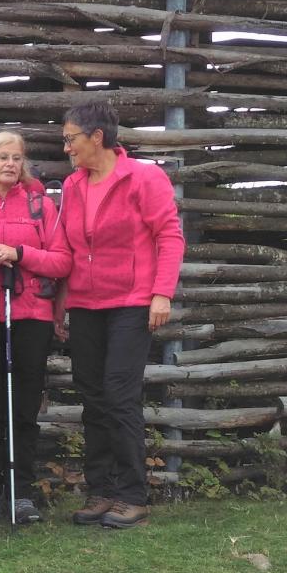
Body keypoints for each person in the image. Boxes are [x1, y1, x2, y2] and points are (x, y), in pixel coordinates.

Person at [54, 101, 184, 529]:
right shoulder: (73, 186)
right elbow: (69, 251)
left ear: (97, 137)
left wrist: (161, 294)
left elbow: (169, 235)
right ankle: (102, 490)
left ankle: (133, 495)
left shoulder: (144, 177)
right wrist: (61, 305)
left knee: (119, 394)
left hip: (131, 303)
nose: (66, 146)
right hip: (86, 306)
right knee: (91, 395)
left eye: (71, 137)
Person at [0, 131, 70, 525]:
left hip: (31, 319)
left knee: (23, 408)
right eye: (2, 157)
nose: (10, 164)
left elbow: (61, 262)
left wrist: (19, 253)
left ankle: (21, 491)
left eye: (16, 158)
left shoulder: (41, 207)